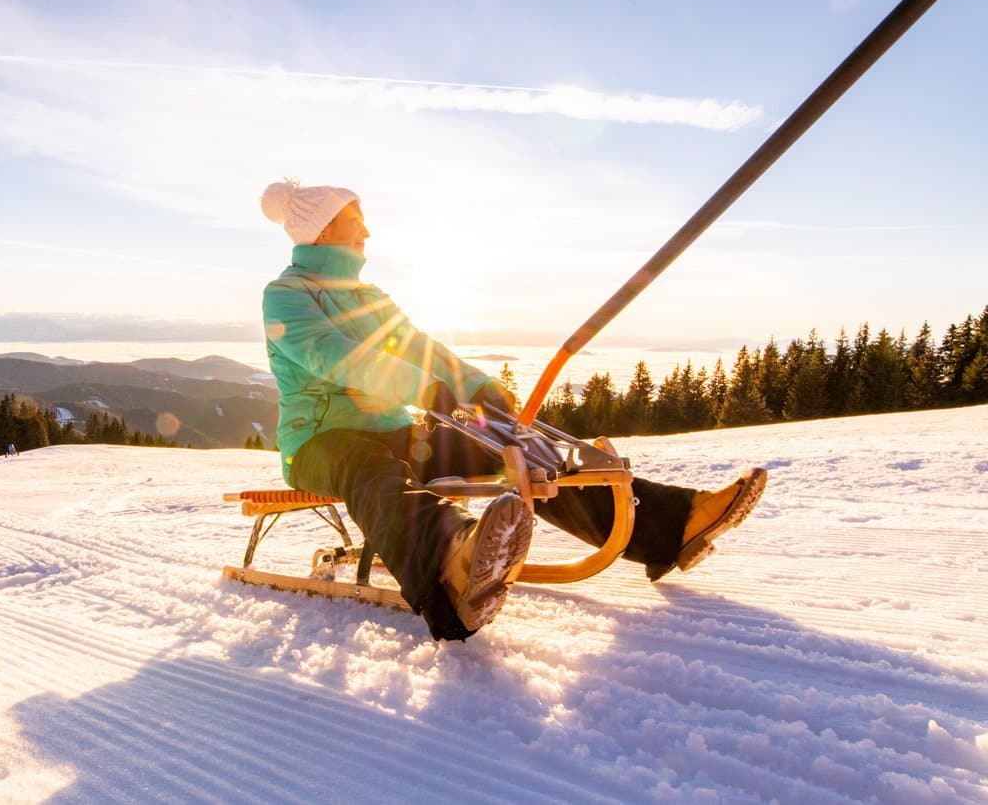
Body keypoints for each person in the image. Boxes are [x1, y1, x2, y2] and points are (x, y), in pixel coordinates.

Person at [260, 179, 767, 642]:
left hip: (394, 429)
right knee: (369, 470)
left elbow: (420, 347)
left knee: (512, 444)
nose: (366, 230)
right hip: (320, 442)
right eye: (354, 219)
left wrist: (478, 388)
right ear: (322, 229)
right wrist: (426, 389)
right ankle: (449, 565)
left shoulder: (370, 298)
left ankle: (673, 523)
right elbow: (332, 355)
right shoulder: (286, 296)